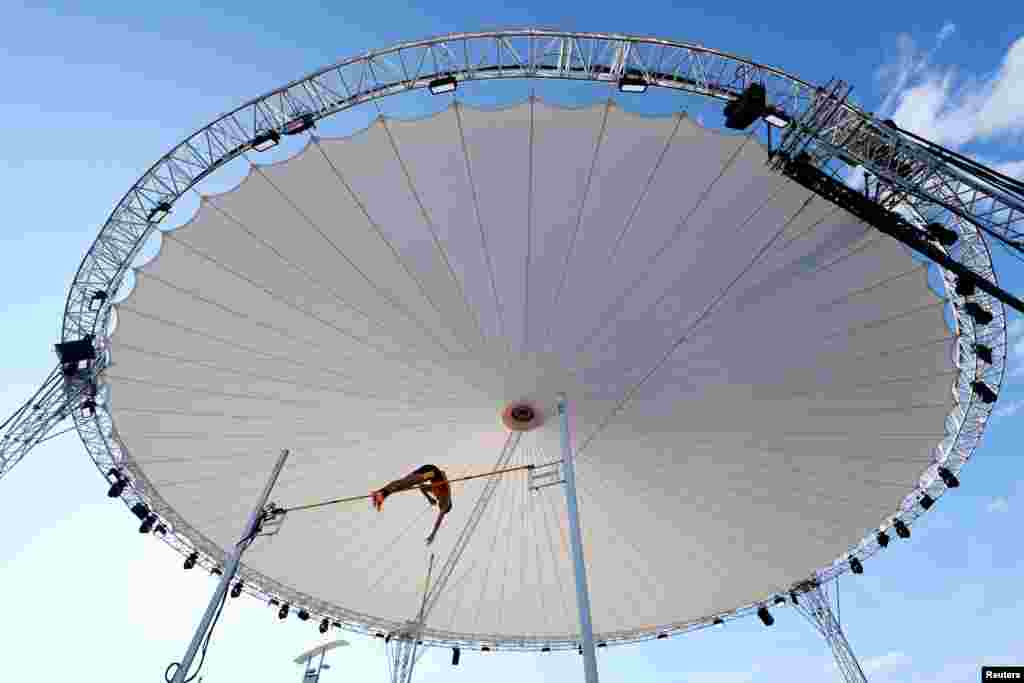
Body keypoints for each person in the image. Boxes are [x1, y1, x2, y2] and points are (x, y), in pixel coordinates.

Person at [371, 464, 452, 545]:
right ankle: (380, 494)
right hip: (432, 472)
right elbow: (439, 519)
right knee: (405, 483)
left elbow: (422, 487)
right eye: (442, 505)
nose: (440, 503)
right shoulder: (446, 497)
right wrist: (433, 533)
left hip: (429, 473)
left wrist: (429, 499)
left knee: (402, 485)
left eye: (440, 504)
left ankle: (381, 494)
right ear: (447, 504)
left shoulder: (435, 491)